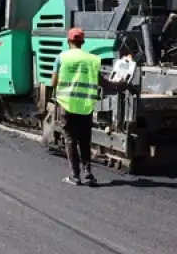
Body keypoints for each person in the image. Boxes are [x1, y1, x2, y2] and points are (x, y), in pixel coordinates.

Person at [51, 28, 126, 186]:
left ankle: (74, 176)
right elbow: (102, 82)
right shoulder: (92, 59)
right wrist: (120, 84)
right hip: (85, 106)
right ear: (82, 42)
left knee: (70, 140)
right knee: (85, 140)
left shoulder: (62, 58)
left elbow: (54, 82)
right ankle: (88, 174)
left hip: (67, 105)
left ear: (68, 41)